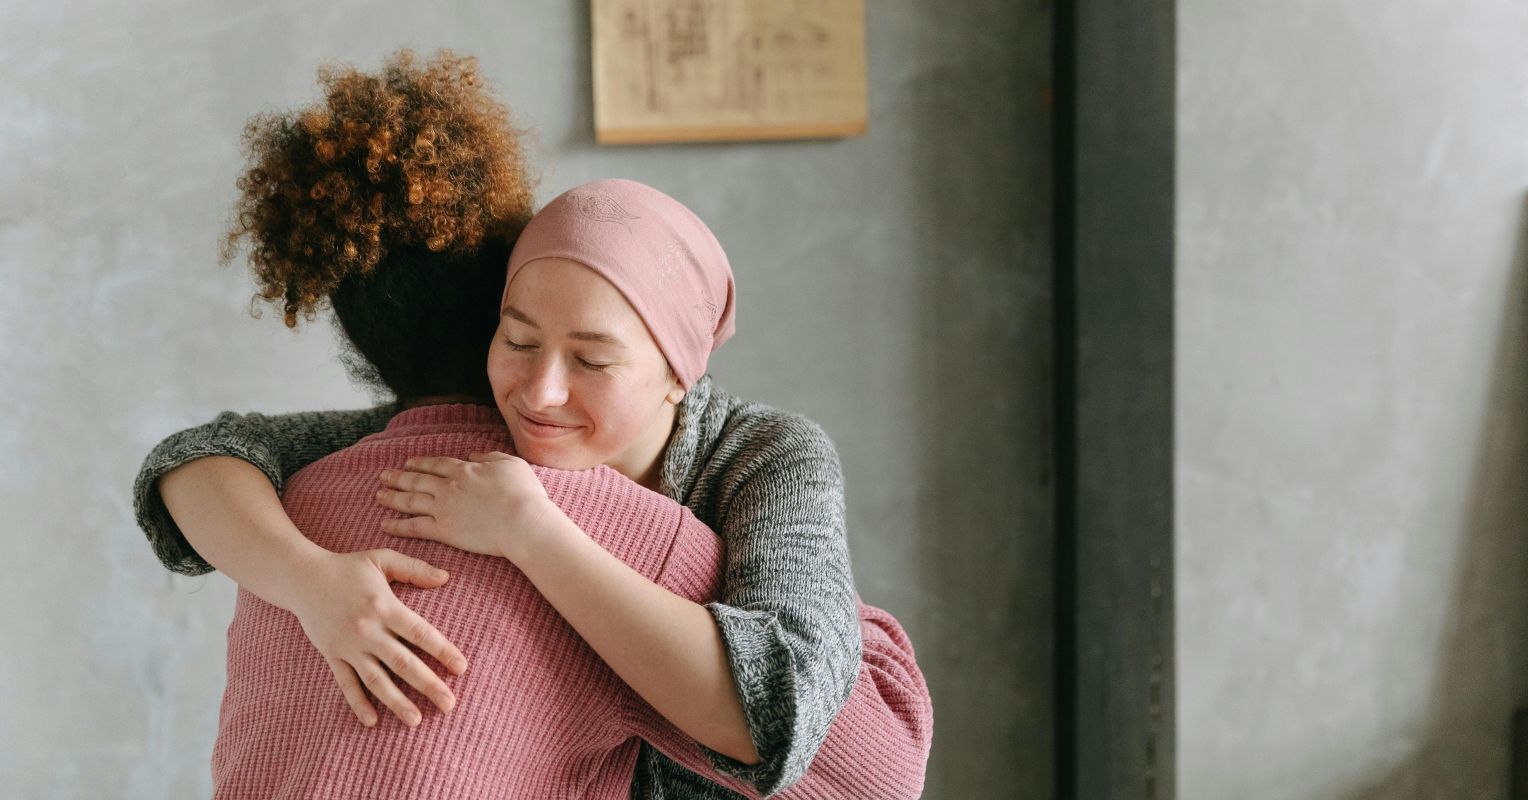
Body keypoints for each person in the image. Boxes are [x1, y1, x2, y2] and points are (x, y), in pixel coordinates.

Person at [134, 50, 931, 799]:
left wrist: (535, 534)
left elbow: (800, 717)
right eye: (517, 342)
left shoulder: (764, 456)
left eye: (592, 360)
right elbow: (199, 459)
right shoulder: (476, 435)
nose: (541, 393)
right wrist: (312, 582)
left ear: (678, 374)